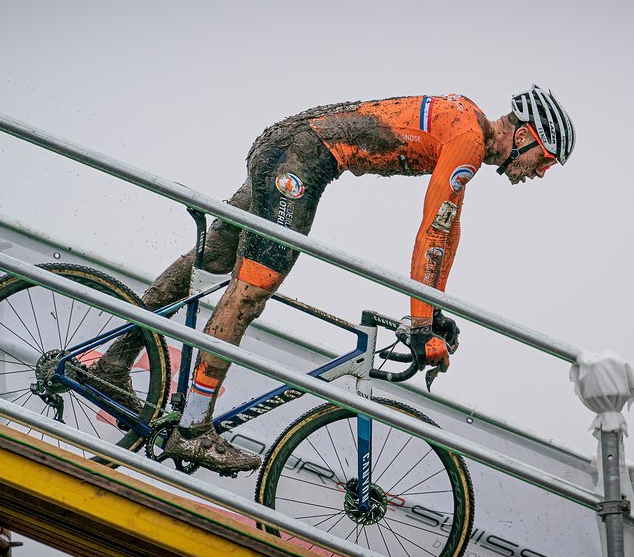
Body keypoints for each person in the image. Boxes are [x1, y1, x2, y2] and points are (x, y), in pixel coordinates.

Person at [89, 85, 575, 474]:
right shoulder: (468, 137)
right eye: (547, 160)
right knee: (250, 293)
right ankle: (191, 430)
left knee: (213, 259)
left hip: (291, 144)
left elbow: (446, 233)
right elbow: (433, 230)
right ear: (527, 134)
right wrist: (421, 321)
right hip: (303, 158)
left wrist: (433, 312)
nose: (542, 173)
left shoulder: (465, 122)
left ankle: (113, 364)